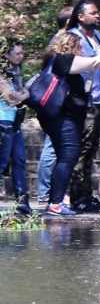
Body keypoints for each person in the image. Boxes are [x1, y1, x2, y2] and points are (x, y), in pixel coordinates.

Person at [37, 33, 100, 216]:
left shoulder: (54, 60)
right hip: (64, 118)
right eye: (79, 47)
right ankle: (55, 202)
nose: (81, 51)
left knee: (64, 158)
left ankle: (54, 201)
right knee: (69, 157)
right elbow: (94, 63)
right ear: (69, 46)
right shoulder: (64, 60)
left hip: (60, 117)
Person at [65, 0, 100, 211]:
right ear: (80, 17)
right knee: (80, 149)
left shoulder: (97, 36)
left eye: (98, 13)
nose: (97, 16)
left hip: (98, 100)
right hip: (82, 102)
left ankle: (86, 193)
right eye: (93, 13)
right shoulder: (73, 38)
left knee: (91, 148)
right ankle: (76, 195)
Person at [36, 6, 73, 204]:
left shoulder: (58, 40)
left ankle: (49, 191)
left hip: (56, 100)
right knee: (53, 146)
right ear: (69, 22)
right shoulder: (60, 42)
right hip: (55, 100)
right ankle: (45, 191)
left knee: (55, 145)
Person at [1, 38, 31, 215]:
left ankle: (22, 201)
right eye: (17, 53)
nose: (22, 56)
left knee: (19, 160)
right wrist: (25, 94)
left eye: (22, 52)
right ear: (6, 54)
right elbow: (11, 97)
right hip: (3, 121)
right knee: (2, 162)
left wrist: (21, 95)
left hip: (14, 122)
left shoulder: (16, 70)